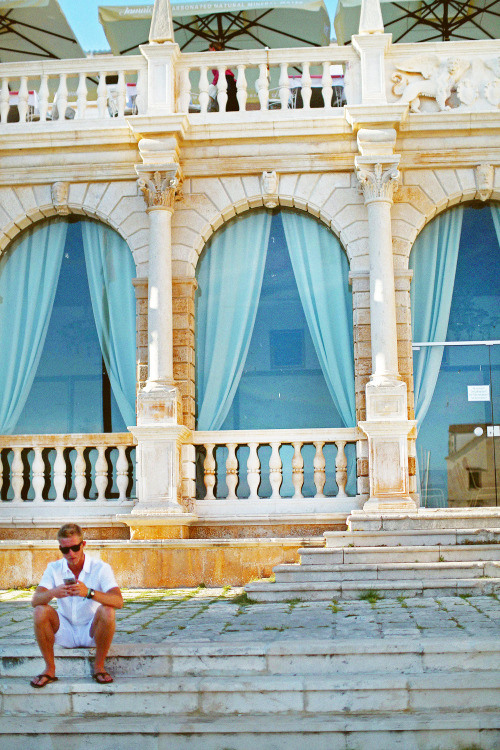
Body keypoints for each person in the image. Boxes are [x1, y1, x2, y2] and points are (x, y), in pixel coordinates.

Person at [30, 523, 123, 688]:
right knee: (40, 611)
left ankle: (99, 667)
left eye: (75, 548)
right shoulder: (54, 568)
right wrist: (53, 593)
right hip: (64, 630)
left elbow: (118, 601)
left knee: (107, 611)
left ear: (83, 545)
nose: (71, 554)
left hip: (92, 630)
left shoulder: (100, 568)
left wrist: (88, 592)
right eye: (65, 550)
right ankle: (50, 669)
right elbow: (35, 600)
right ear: (60, 548)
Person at [208, 42, 239, 112]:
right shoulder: (220, 57)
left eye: (209, 50)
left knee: (227, 101)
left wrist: (213, 83)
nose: (209, 52)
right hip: (228, 80)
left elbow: (219, 72)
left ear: (213, 49)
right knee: (229, 101)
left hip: (225, 80)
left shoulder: (216, 58)